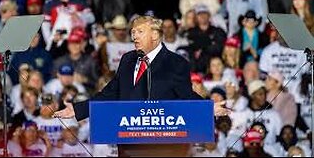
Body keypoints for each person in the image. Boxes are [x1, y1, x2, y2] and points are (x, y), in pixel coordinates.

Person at [54, 15, 229, 121]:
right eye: (133, 33)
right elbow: (111, 92)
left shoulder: (176, 62)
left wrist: (207, 107)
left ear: (155, 35)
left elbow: (185, 96)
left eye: (139, 32)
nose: (134, 36)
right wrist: (78, 109)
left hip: (163, 142)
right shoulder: (128, 59)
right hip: (129, 139)